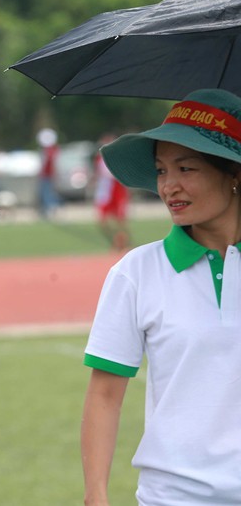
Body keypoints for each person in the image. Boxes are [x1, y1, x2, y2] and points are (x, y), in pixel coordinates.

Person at [81, 88, 241, 505]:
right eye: (161, 171)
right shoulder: (136, 273)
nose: (169, 186)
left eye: (186, 168)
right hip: (172, 496)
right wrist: (95, 495)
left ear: (235, 174)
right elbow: (104, 395)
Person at [93, 134, 130, 251]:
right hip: (105, 192)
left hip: (117, 190)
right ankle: (116, 241)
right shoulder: (99, 159)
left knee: (120, 220)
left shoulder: (117, 158)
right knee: (102, 221)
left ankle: (122, 243)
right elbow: (100, 174)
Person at [37, 128, 61, 218]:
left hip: (48, 175)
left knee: (47, 193)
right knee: (47, 193)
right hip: (47, 175)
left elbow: (52, 164)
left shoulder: (50, 151)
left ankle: (50, 209)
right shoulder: (50, 150)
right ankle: (48, 209)